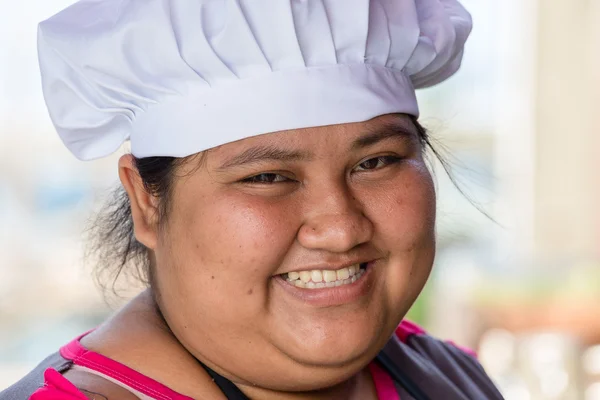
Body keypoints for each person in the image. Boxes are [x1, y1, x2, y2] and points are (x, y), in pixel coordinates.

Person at [1, 0, 504, 399]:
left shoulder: (450, 376)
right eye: (267, 176)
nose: (341, 228)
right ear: (146, 202)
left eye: (375, 162)